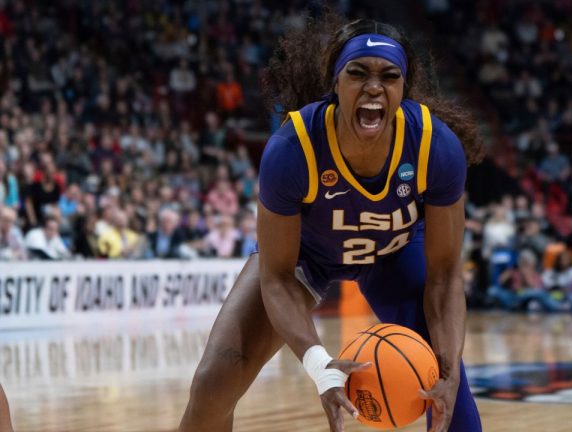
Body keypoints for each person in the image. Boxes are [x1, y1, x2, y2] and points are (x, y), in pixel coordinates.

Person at [179, 17, 483, 432]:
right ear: (335, 83)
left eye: (389, 76)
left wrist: (448, 368)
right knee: (214, 382)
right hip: (308, 258)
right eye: (358, 73)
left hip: (394, 254)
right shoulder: (292, 148)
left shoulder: (435, 144)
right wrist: (320, 365)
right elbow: (277, 276)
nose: (373, 87)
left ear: (403, 90)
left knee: (453, 401)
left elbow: (446, 277)